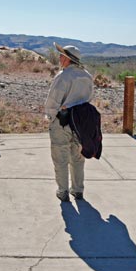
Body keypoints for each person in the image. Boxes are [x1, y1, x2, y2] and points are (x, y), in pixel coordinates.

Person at [45, 42, 94, 202]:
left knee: (60, 157)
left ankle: (63, 191)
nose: (59, 58)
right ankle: (78, 190)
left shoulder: (63, 76)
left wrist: (50, 118)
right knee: (78, 157)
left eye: (61, 56)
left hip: (62, 121)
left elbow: (53, 100)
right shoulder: (87, 76)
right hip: (81, 122)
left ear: (67, 59)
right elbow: (89, 97)